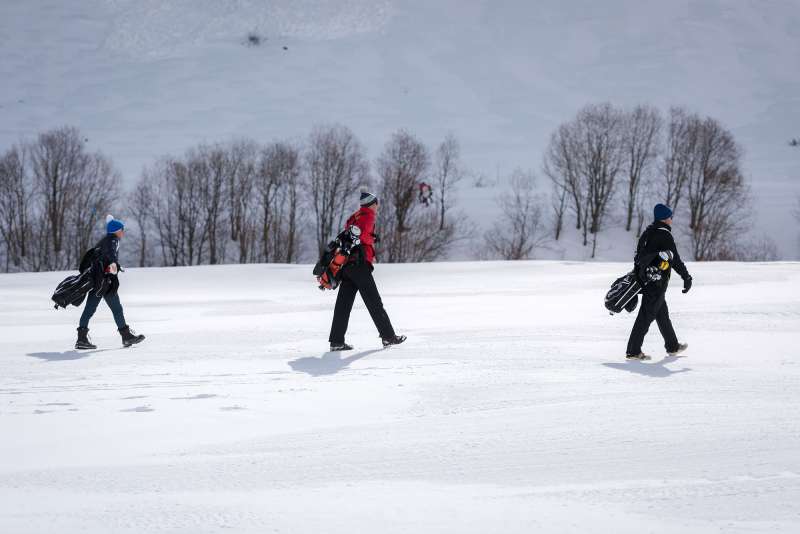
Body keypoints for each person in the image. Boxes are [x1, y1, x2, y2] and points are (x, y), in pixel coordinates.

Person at [328, 191, 406, 351]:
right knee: (374, 302)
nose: (377, 207)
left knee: (343, 305)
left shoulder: (354, 217)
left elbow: (353, 237)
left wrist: (370, 239)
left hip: (347, 265)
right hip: (359, 266)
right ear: (373, 204)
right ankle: (388, 337)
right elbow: (362, 237)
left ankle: (336, 342)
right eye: (377, 204)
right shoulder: (368, 215)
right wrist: (372, 239)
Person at [626, 204, 692, 360]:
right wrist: (686, 277)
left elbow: (638, 259)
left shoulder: (647, 233)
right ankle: (633, 351)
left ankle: (673, 346)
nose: (671, 220)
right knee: (645, 317)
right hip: (656, 283)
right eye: (670, 217)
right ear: (665, 218)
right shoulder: (664, 235)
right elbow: (674, 260)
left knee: (662, 314)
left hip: (647, 281)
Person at [75, 215, 145, 350]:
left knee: (96, 309)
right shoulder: (113, 240)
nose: (123, 232)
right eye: (122, 229)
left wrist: (115, 266)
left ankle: (83, 339)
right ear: (116, 230)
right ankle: (125, 336)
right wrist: (115, 265)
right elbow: (111, 256)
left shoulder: (103, 241)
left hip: (99, 281)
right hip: (104, 283)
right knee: (113, 309)